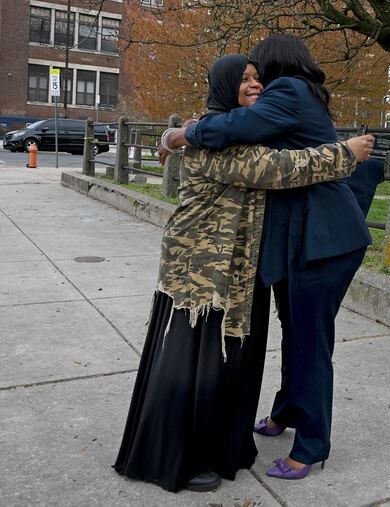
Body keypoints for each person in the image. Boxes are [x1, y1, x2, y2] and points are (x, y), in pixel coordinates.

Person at [113, 54, 374, 493]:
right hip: (200, 276)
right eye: (246, 80)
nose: (257, 85)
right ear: (225, 86)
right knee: (192, 367)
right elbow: (276, 169)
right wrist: (345, 153)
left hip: (232, 273)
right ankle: (175, 457)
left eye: (259, 78)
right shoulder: (215, 141)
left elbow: (269, 149)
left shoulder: (227, 128)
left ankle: (222, 446)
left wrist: (176, 133)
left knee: (223, 365)